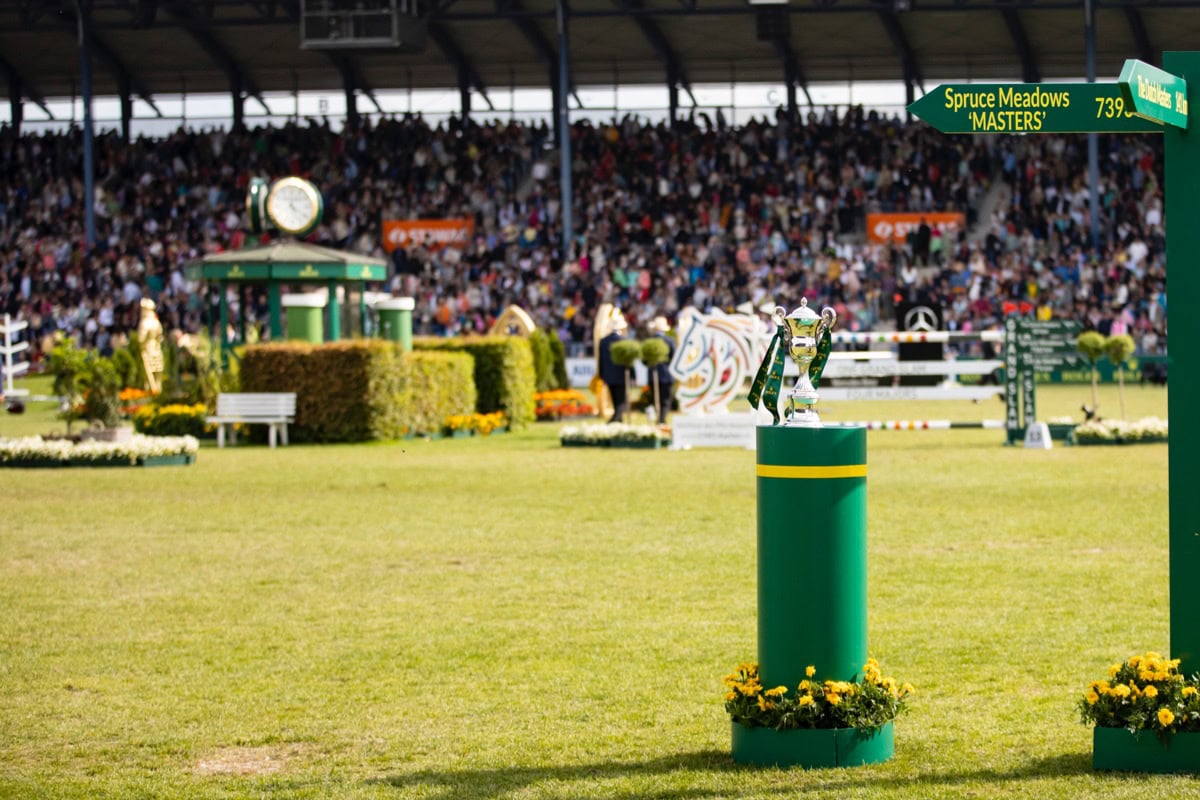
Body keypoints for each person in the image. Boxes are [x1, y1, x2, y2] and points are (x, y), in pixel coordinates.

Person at [598, 309, 629, 423]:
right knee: (621, 400)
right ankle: (615, 419)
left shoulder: (604, 341)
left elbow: (601, 361)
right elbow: (628, 360)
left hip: (609, 375)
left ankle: (618, 419)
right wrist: (632, 375)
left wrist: (601, 375)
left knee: (615, 399)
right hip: (621, 375)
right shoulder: (624, 340)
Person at [647, 316, 675, 422]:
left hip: (653, 375)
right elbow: (673, 358)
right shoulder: (669, 341)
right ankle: (661, 419)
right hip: (666, 375)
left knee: (656, 399)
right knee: (666, 400)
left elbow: (644, 360)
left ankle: (659, 419)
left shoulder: (650, 341)